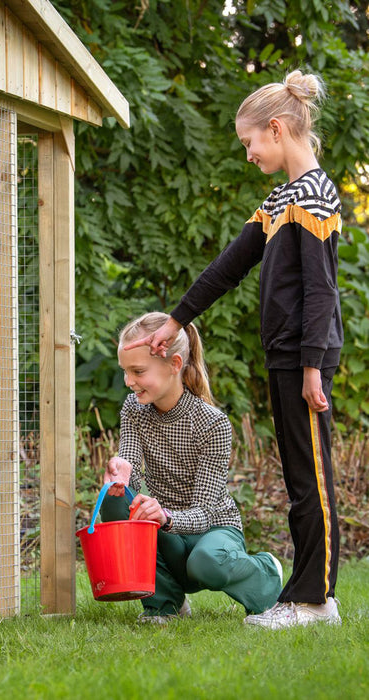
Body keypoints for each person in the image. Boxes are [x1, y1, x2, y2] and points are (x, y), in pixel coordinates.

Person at [128, 70, 342, 629]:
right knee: (299, 479)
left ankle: (316, 602)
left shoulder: (315, 194)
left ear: (276, 129)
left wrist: (314, 367)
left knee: (312, 483)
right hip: (285, 355)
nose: (248, 153)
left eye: (250, 142)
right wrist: (175, 320)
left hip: (305, 358)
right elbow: (228, 267)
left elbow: (321, 290)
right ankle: (303, 596)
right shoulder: (280, 200)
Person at [101, 311, 282, 623]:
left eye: (138, 371)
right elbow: (129, 462)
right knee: (113, 499)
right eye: (125, 372)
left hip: (212, 529)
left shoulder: (212, 423)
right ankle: (164, 605)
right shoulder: (134, 409)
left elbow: (206, 511)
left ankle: (265, 573)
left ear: (174, 366)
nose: (128, 382)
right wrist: (121, 473)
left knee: (205, 563)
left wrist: (166, 516)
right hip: (166, 528)